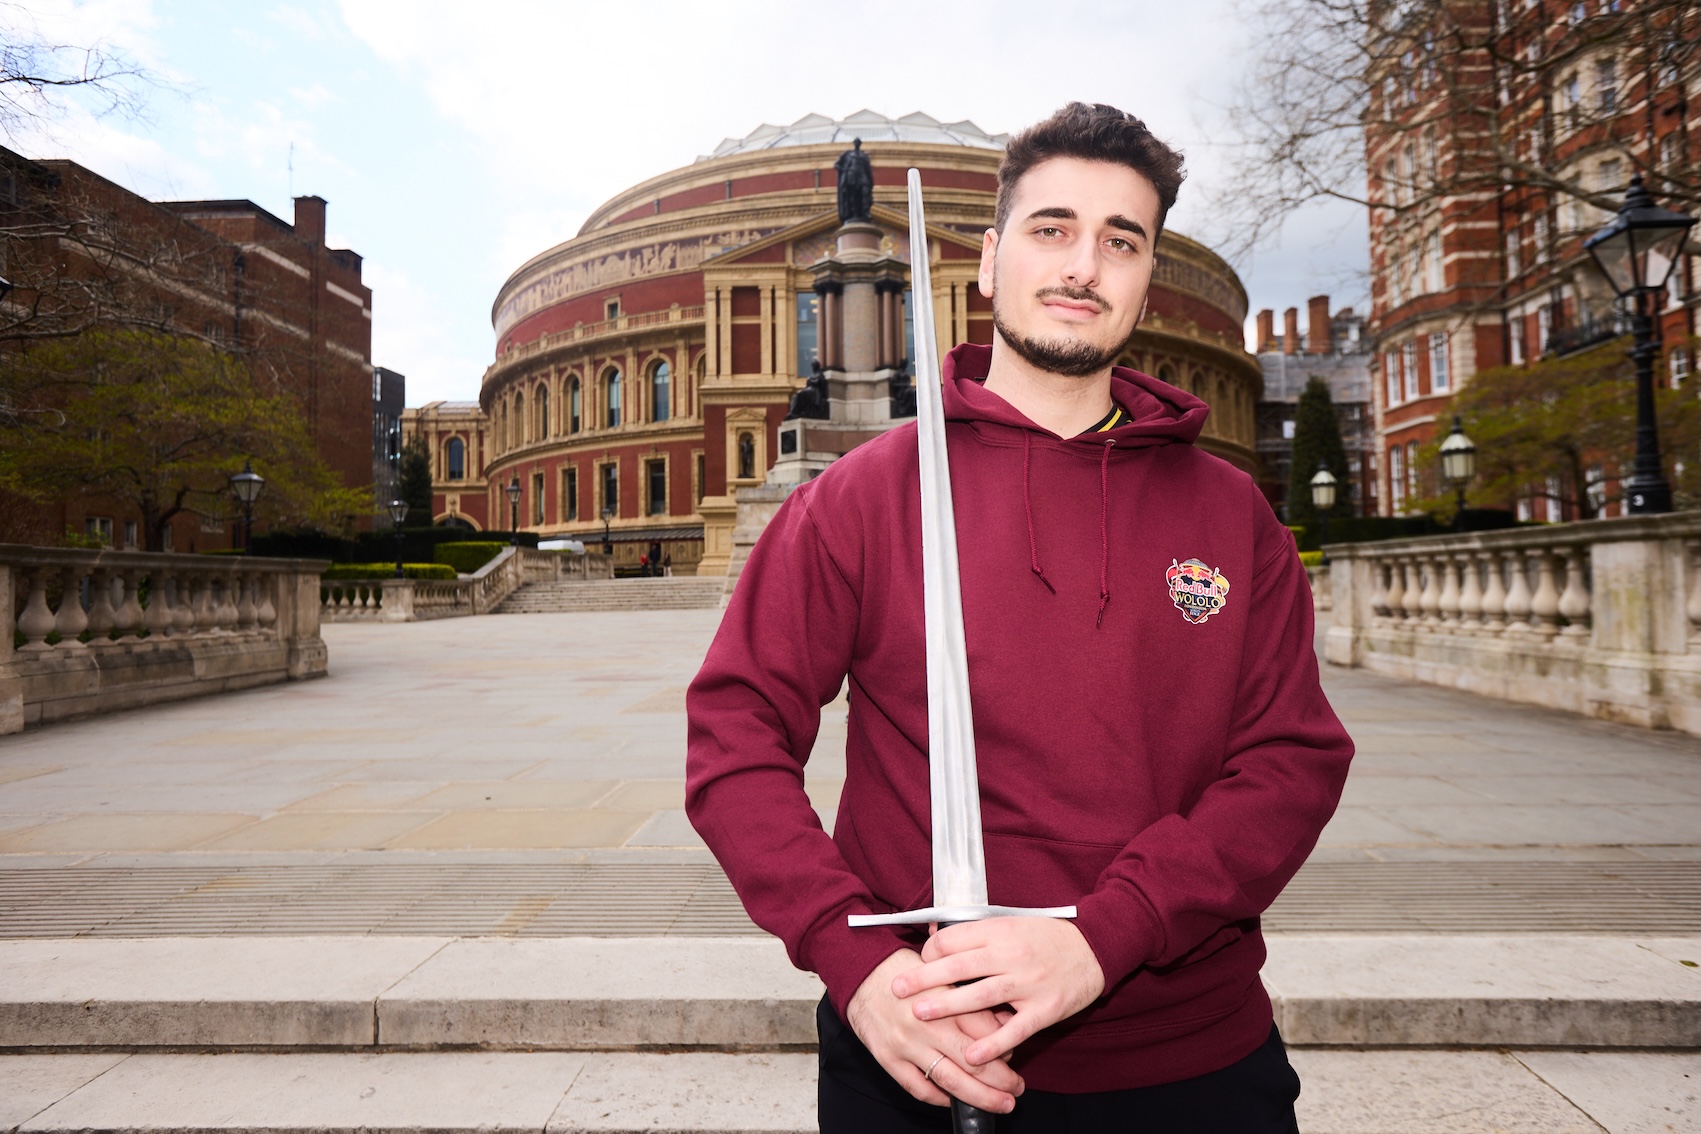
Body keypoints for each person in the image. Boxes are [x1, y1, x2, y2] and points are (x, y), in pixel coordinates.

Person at [686, 102, 1353, 1132]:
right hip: (919, 1051)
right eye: (1052, 229)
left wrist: (1103, 936)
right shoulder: (865, 497)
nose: (1084, 264)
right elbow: (734, 736)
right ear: (989, 261)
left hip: (1191, 1058)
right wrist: (854, 962)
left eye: (1119, 240)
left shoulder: (1230, 515)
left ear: (1146, 276)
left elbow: (1290, 763)